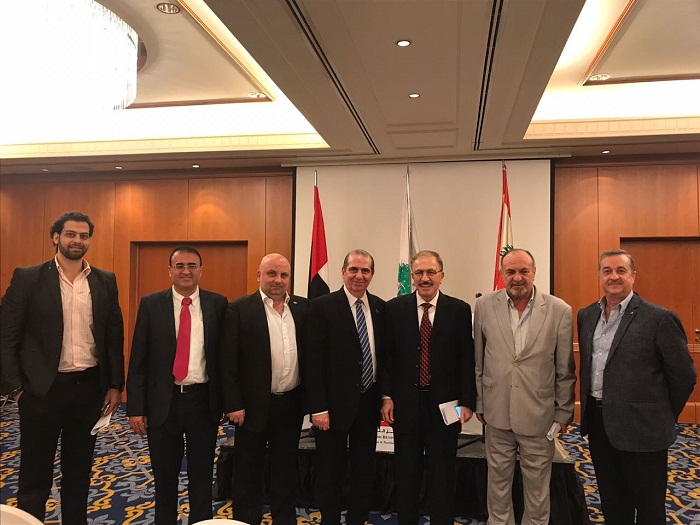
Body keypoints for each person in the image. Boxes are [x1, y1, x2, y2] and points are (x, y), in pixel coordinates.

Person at [0, 211, 125, 523]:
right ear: (56, 237)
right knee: (35, 474)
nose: (77, 241)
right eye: (70, 234)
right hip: (41, 391)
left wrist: (115, 385)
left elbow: (113, 336)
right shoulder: (28, 278)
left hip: (88, 389)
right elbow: (6, 336)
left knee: (79, 471)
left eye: (83, 236)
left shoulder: (105, 280)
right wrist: (16, 390)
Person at [578, 249, 696, 525]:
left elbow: (684, 376)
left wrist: (662, 414)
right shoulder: (586, 316)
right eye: (607, 271)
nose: (613, 276)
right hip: (599, 424)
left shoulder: (659, 318)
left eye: (621, 270)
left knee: (649, 507)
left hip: (644, 429)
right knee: (612, 501)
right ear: (599, 276)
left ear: (633, 275)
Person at [126, 245, 228, 525]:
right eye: (180, 265)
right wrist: (136, 407)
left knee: (202, 476)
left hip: (202, 401)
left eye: (192, 265)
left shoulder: (218, 304)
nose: (186, 271)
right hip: (163, 402)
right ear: (170, 270)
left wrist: (227, 401)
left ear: (200, 271)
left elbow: (225, 359)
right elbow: (139, 359)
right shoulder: (151, 304)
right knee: (164, 477)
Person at [474, 248, 575, 525]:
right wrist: (480, 402)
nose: (517, 277)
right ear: (502, 274)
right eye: (510, 271)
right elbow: (479, 361)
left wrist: (563, 412)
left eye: (523, 271)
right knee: (497, 483)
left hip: (539, 414)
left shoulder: (559, 310)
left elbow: (565, 369)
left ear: (534, 272)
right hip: (496, 411)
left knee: (538, 488)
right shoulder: (484, 306)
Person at [381, 250, 475, 525]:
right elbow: (387, 358)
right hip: (405, 406)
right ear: (412, 276)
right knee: (406, 473)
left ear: (441, 276)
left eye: (431, 272)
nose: (425, 278)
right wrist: (386, 397)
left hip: (446, 407)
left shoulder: (459, 310)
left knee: (442, 474)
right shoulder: (394, 309)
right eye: (419, 272)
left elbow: (466, 359)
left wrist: (467, 402)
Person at [220, 253, 310, 525]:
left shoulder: (303, 308)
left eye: (283, 275)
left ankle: (285, 519)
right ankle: (246, 520)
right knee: (248, 470)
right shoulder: (239, 309)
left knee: (286, 469)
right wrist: (233, 404)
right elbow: (228, 362)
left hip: (290, 405)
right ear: (259, 275)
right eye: (271, 273)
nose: (278, 280)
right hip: (251, 407)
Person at [303, 249, 386, 525]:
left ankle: (356, 519)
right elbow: (313, 361)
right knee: (330, 471)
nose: (359, 276)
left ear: (372, 275)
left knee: (364, 470)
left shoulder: (380, 308)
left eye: (365, 271)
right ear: (343, 272)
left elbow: (384, 357)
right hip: (331, 408)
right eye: (353, 269)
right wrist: (318, 408)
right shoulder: (322, 306)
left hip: (368, 404)